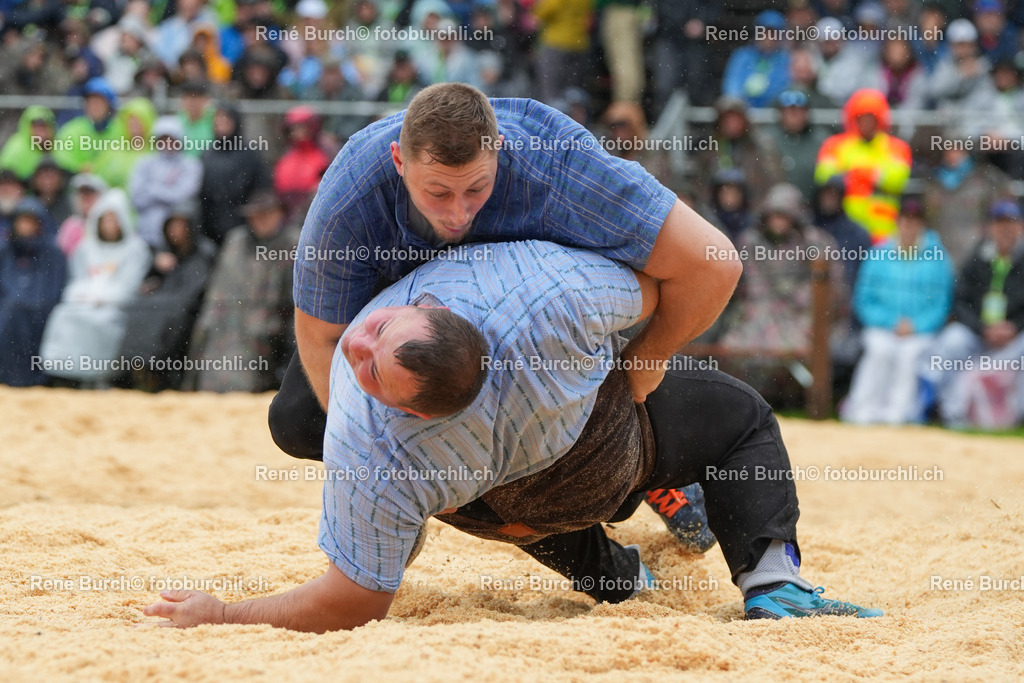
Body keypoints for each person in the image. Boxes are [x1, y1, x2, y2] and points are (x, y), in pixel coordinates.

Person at [142, 240, 883, 631]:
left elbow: (352, 598)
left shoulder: (379, 449)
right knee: (742, 417)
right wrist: (643, 360)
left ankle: (623, 576)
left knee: (325, 430)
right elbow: (672, 281)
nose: (356, 342)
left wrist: (224, 613)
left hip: (495, 508)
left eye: (370, 339)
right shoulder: (544, 299)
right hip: (605, 457)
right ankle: (770, 581)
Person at [270, 83, 742, 548]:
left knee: (597, 474)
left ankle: (651, 467)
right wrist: (379, 464)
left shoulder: (556, 161)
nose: (458, 214)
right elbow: (320, 336)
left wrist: (645, 362)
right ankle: (573, 545)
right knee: (298, 420)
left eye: (477, 188)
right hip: (421, 335)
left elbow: (715, 264)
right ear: (399, 161)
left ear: (499, 148)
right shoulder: (353, 192)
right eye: (438, 193)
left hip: (555, 326)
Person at [842, 198, 955, 424]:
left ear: (922, 225)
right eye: (905, 220)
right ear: (898, 222)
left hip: (919, 331)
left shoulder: (938, 258)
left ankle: (900, 414)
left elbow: (942, 303)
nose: (909, 226)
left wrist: (916, 325)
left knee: (910, 355)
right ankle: (862, 409)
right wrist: (891, 322)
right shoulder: (878, 254)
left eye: (915, 221)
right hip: (883, 327)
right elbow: (864, 299)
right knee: (879, 350)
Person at [922, 200, 1024, 427]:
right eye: (999, 223)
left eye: (1011, 223)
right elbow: (960, 301)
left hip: (1014, 338)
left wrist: (1014, 327)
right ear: (990, 228)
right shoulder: (977, 258)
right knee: (952, 340)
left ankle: (1018, 414)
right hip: (980, 334)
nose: (1005, 230)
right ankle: (945, 409)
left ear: (1020, 227)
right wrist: (981, 328)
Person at [184, 190, 296, 393]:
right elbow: (220, 287)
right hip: (227, 315)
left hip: (268, 319)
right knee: (206, 328)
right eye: (256, 215)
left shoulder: (292, 244)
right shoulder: (236, 241)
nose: (261, 220)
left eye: (267, 214)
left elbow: (292, 298)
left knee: (256, 332)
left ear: (280, 214)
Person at [38, 188, 152, 386]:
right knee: (63, 316)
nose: (110, 225)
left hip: (115, 306)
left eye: (114, 220)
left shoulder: (135, 249)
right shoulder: (86, 248)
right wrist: (84, 294)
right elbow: (76, 278)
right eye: (105, 220)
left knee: (101, 322)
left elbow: (130, 284)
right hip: (83, 302)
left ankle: (101, 376)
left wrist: (104, 297)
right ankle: (68, 374)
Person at [119, 201, 216, 391]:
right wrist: (157, 271)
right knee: (137, 308)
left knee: (165, 316)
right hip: (162, 303)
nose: (176, 231)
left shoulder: (203, 252)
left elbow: (195, 289)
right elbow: (148, 283)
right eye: (172, 226)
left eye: (181, 226)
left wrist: (174, 285)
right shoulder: (165, 252)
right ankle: (134, 368)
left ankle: (157, 371)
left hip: (187, 308)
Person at [815, 88, 912, 243]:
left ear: (879, 120)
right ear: (853, 118)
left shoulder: (897, 147)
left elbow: (897, 179)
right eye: (861, 118)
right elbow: (824, 176)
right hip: (845, 227)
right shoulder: (835, 144)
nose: (866, 123)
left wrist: (860, 174)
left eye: (871, 118)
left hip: (882, 228)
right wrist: (867, 175)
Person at [0, 198, 67, 387]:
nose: (26, 226)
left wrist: (30, 302)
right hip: (7, 310)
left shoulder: (52, 253)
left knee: (24, 315)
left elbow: (54, 288)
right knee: (11, 314)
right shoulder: (5, 251)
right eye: (22, 221)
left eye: (31, 221)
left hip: (41, 310)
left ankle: (33, 378)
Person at [128, 116, 204, 248]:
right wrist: (168, 191)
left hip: (177, 240)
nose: (167, 143)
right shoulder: (144, 163)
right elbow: (136, 198)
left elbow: (182, 197)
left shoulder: (191, 165)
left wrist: (151, 189)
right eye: (163, 139)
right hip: (144, 235)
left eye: (171, 138)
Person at [721, 10, 792, 108]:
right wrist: (743, 103)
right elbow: (732, 86)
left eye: (773, 34)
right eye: (764, 33)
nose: (768, 38)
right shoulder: (742, 56)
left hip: (773, 111)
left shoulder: (785, 58)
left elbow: (784, 86)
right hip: (743, 110)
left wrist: (764, 98)